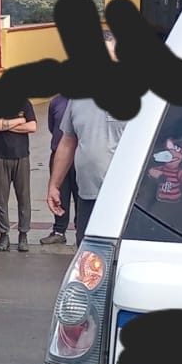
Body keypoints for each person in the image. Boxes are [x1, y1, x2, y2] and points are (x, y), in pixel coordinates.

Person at [46, 32, 126, 246]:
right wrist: (54, 185)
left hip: (125, 199)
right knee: (87, 260)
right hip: (87, 197)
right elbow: (67, 142)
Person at [0, 98, 36, 251]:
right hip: (1, 156)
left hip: (21, 156)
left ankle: (23, 234)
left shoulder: (25, 104)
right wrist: (19, 121)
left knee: (24, 198)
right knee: (1, 199)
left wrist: (6, 125)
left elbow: (33, 126)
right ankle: (3, 235)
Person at [39, 94, 79, 245]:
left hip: (79, 157)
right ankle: (59, 231)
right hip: (58, 156)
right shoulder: (56, 102)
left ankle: (80, 230)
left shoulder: (83, 102)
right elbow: (52, 127)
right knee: (59, 195)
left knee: (79, 195)